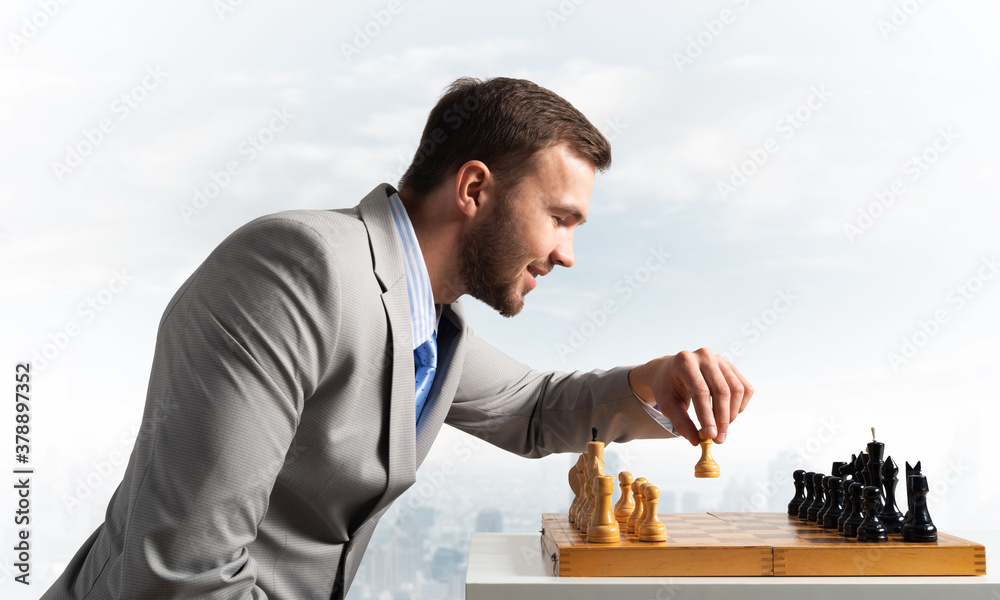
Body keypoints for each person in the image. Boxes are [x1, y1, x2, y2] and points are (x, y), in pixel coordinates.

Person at [42, 76, 753, 600]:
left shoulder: (431, 321)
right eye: (560, 218)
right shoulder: (297, 270)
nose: (566, 253)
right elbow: (184, 578)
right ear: (473, 189)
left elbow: (534, 410)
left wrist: (651, 383)